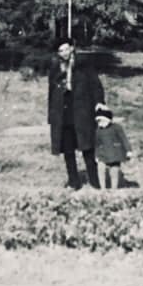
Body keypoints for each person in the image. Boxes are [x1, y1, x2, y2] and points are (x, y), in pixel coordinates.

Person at [47, 37, 104, 189]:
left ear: (72, 48)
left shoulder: (83, 65)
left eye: (66, 49)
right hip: (63, 114)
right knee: (68, 150)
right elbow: (51, 92)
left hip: (82, 112)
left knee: (87, 148)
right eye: (60, 51)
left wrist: (99, 103)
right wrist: (51, 115)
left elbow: (96, 86)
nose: (64, 53)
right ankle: (74, 182)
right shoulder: (56, 68)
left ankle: (95, 182)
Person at [94, 106, 132, 189]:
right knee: (100, 169)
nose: (100, 123)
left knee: (114, 172)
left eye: (101, 120)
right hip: (103, 154)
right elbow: (97, 144)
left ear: (107, 120)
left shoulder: (116, 128)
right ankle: (103, 188)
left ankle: (114, 189)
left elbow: (123, 139)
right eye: (98, 121)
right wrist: (96, 155)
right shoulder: (98, 131)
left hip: (115, 153)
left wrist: (128, 150)